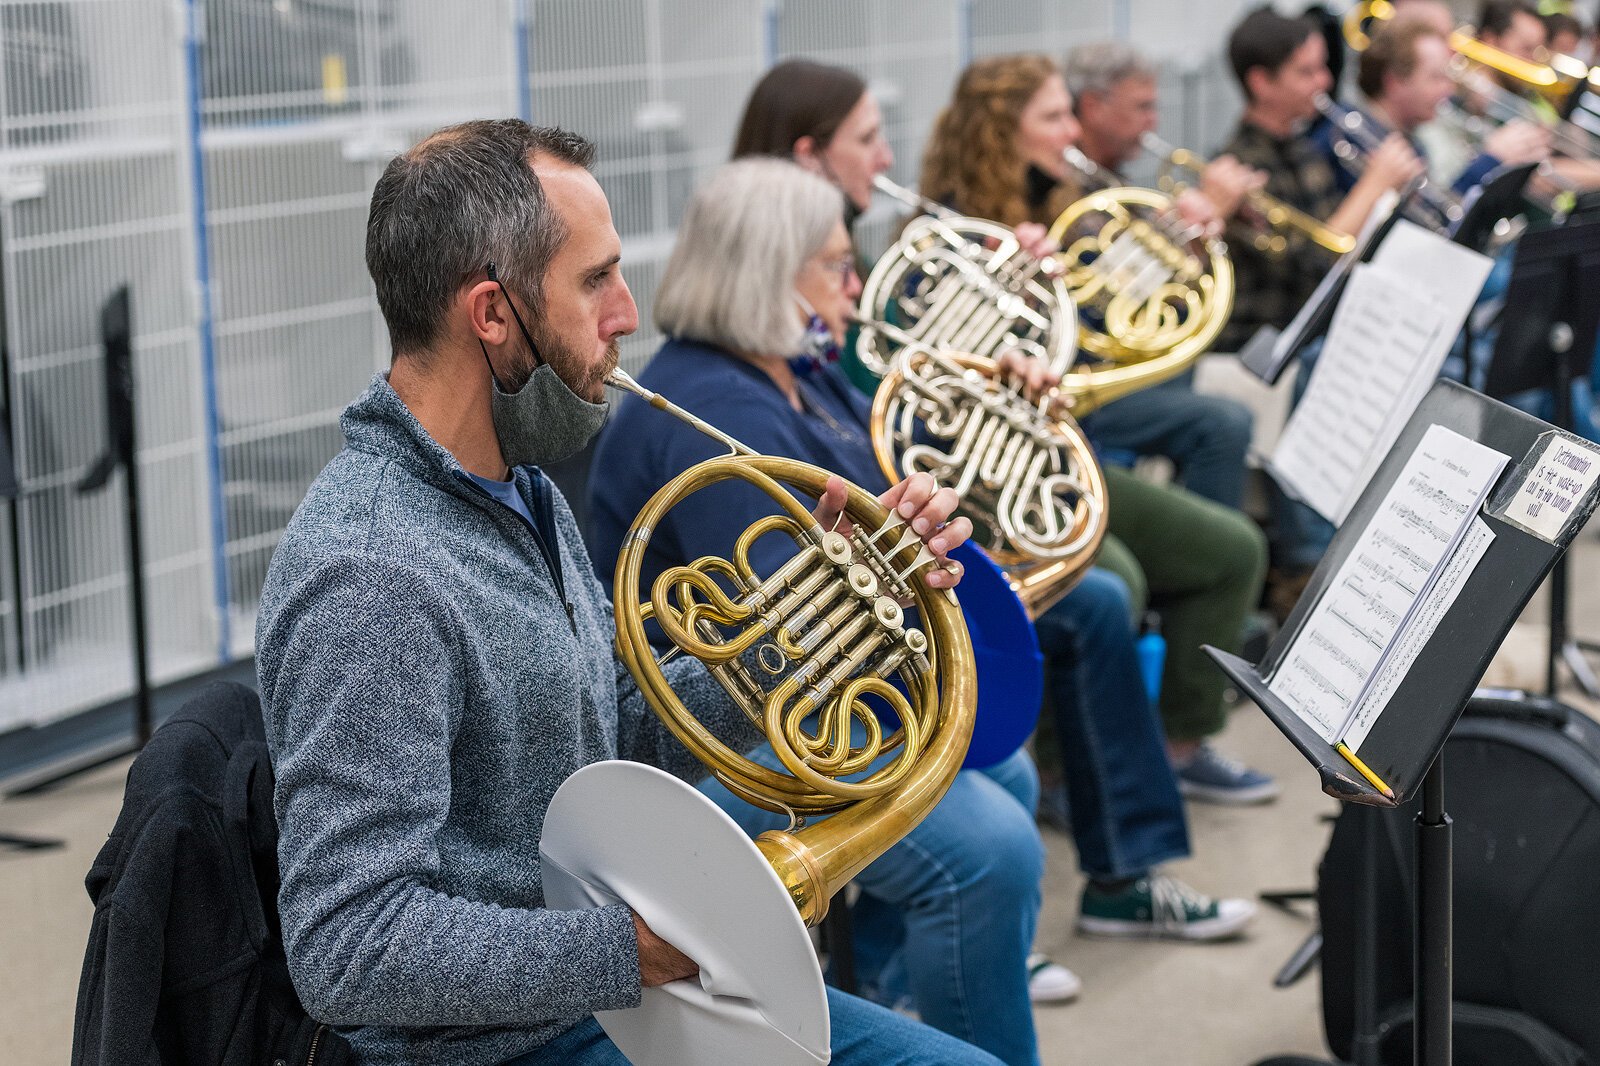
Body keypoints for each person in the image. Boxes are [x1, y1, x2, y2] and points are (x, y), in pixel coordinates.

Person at [253, 118, 1000, 1066]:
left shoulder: (518, 489)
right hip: (503, 1047)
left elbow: (612, 730)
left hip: (604, 997)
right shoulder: (372, 574)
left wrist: (811, 617)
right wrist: (631, 950)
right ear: (492, 314)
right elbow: (348, 947)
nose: (629, 313)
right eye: (596, 279)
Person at [587, 160, 1259, 1047]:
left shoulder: (795, 371)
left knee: (1010, 771)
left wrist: (1007, 410)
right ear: (766, 273)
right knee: (996, 853)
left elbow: (885, 495)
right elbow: (790, 660)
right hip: (728, 746)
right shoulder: (710, 407)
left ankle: (915, 978)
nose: (857, 285)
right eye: (835, 265)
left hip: (802, 706)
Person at [920, 53, 1277, 802]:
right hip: (988, 468)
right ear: (999, 130)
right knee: (1116, 577)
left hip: (1057, 440)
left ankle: (1181, 744)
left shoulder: (1066, 197)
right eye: (1052, 117)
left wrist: (1178, 246)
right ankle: (1066, 774)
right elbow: (933, 377)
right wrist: (1002, 289)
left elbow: (1108, 322)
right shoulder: (948, 227)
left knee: (1234, 548)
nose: (1072, 129)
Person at [1062, 40, 1259, 510]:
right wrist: (1190, 228)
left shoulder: (1109, 181)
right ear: (1094, 105)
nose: (1153, 123)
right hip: (1081, 380)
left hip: (1115, 369)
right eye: (1143, 108)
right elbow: (1103, 297)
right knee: (1225, 423)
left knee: (1188, 374)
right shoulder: (1070, 188)